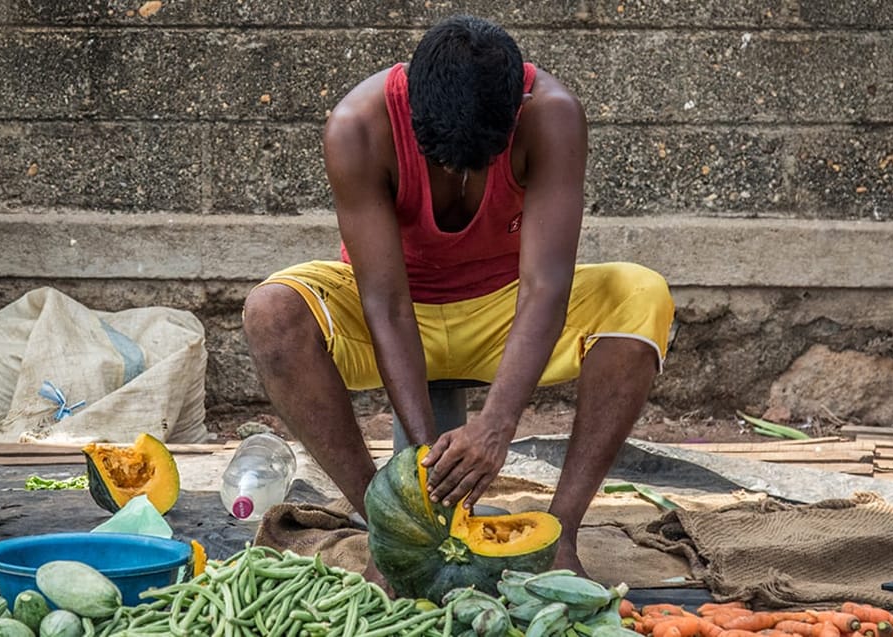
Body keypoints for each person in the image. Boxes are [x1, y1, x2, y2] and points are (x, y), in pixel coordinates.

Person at [242, 14, 675, 578]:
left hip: (507, 312)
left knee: (642, 293)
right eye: (439, 155)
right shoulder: (357, 126)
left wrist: (496, 426)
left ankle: (560, 538)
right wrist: (424, 486)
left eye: (479, 159)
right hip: (393, 315)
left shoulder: (553, 116)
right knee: (270, 311)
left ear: (516, 108)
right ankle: (385, 526)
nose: (455, 171)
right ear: (412, 105)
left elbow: (546, 288)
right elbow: (386, 303)